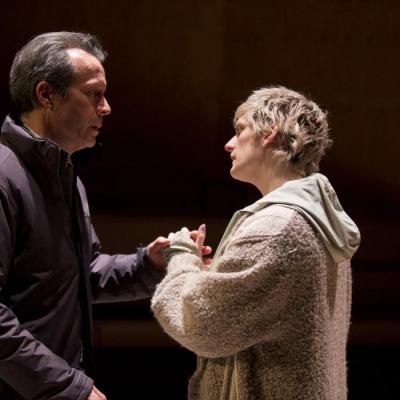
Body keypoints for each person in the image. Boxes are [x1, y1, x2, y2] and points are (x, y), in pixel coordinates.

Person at [151, 86, 361, 399]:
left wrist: (181, 258)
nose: (228, 143)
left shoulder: (275, 229)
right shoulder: (315, 217)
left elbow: (203, 324)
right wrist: (214, 278)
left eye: (239, 130)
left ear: (269, 134)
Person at [0, 32, 173, 400]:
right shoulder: (3, 176)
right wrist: (67, 387)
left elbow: (83, 275)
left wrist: (150, 265)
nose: (107, 107)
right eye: (94, 93)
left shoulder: (66, 176)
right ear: (46, 94)